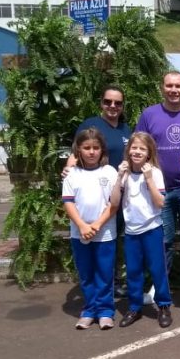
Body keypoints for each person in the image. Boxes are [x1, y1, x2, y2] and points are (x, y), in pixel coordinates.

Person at [135, 71, 180, 305]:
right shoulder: (149, 114)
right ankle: (159, 285)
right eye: (169, 85)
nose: (173, 90)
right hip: (160, 192)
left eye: (178, 86)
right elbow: (138, 145)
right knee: (163, 241)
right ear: (162, 88)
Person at [62, 86, 131, 296]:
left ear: (122, 106)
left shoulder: (126, 129)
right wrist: (68, 169)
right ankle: (95, 288)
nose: (113, 106)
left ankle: (113, 281)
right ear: (101, 103)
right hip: (97, 192)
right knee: (96, 238)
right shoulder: (91, 124)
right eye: (108, 102)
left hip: (121, 193)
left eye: (117, 103)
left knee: (114, 238)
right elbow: (77, 151)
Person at [110, 132, 173, 329]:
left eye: (142, 149)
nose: (137, 152)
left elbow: (160, 202)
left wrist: (148, 179)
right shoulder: (123, 172)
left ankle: (163, 306)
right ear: (128, 151)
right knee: (134, 271)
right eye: (134, 148)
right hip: (131, 232)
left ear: (149, 153)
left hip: (152, 229)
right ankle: (135, 307)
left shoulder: (154, 172)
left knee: (157, 269)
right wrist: (119, 176)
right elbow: (114, 202)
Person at [62, 128, 119, 330]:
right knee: (86, 273)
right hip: (80, 233)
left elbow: (113, 204)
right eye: (87, 148)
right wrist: (82, 225)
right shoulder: (71, 175)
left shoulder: (110, 172)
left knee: (104, 273)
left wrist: (96, 225)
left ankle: (105, 311)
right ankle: (89, 310)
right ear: (79, 150)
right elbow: (68, 203)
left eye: (96, 148)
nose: (91, 152)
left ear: (102, 150)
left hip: (104, 232)